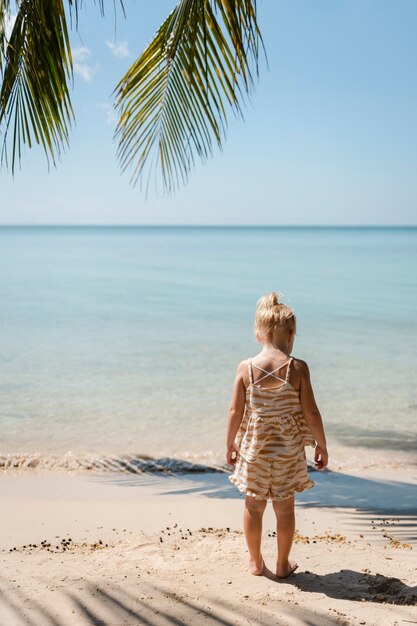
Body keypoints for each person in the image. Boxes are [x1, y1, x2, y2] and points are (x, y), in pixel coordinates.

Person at [226, 292, 328, 578]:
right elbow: (312, 413)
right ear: (292, 334)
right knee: (284, 510)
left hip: (254, 450)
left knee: (253, 506)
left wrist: (230, 442)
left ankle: (256, 562)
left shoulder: (246, 368)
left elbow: (235, 411)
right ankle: (283, 564)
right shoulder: (297, 368)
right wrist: (321, 444)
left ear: (258, 334)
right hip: (287, 453)